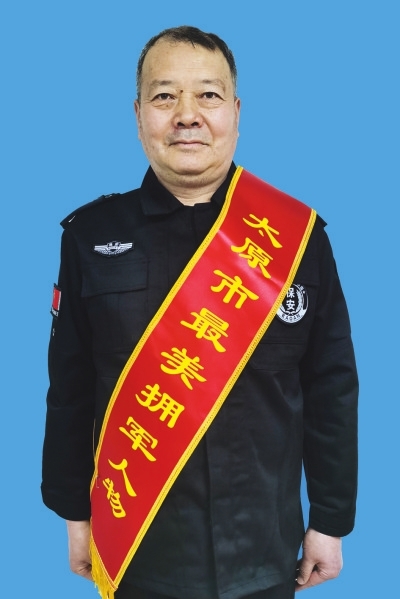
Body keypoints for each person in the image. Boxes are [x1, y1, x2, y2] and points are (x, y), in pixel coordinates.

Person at [41, 26, 358, 599]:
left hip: (265, 553)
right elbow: (70, 389)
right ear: (138, 113)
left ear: (235, 111)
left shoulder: (297, 238)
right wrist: (74, 516)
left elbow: (331, 388)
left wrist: (330, 521)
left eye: (208, 95)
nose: (187, 115)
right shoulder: (89, 236)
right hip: (139, 552)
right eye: (165, 96)